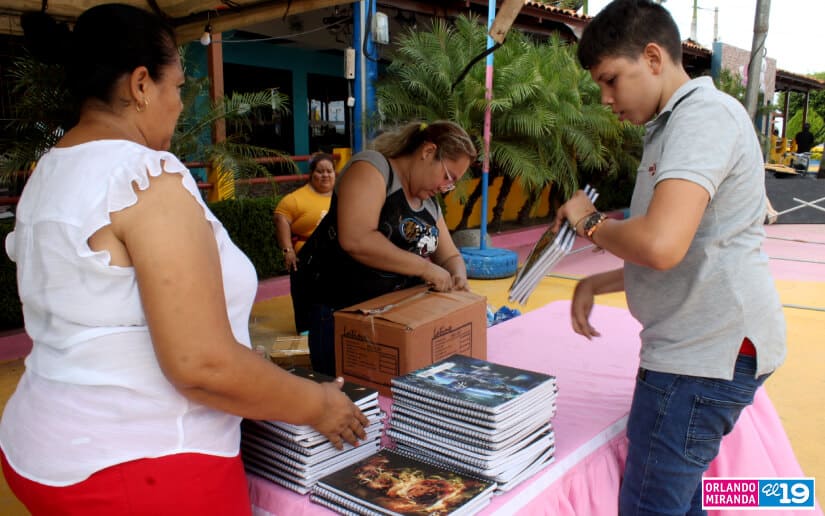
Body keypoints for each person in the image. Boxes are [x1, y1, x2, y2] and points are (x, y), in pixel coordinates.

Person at [2, 6, 367, 515]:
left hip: (40, 446)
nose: (178, 103)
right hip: (142, 464)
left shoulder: (49, 172)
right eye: (177, 87)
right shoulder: (144, 176)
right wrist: (319, 405)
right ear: (141, 85)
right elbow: (200, 364)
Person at [552, 1, 786, 514]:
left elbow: (660, 245)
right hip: (702, 349)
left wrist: (589, 222)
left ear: (653, 57)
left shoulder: (701, 118)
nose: (606, 99)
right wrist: (600, 282)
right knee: (675, 500)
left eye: (611, 80)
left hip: (701, 357)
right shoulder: (676, 124)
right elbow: (691, 247)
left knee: (650, 506)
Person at [294, 121, 476, 376]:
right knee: (347, 400)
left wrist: (458, 275)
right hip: (344, 318)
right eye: (447, 177)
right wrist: (426, 268)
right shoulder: (373, 168)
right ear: (427, 152)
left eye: (451, 184)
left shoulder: (429, 203)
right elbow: (357, 238)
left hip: (392, 321)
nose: (445, 187)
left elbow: (450, 255)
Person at [274, 152, 336, 333]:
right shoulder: (296, 199)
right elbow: (281, 219)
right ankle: (306, 330)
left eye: (329, 171)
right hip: (307, 257)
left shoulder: (343, 195)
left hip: (336, 255)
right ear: (311, 174)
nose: (325, 175)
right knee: (305, 297)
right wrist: (288, 250)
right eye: (320, 171)